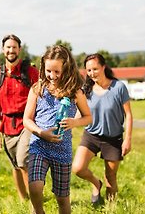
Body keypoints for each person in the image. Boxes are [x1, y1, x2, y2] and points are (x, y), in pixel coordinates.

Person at [23, 45, 92, 214]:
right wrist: (40, 132)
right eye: (48, 71)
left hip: (62, 150)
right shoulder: (37, 89)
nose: (52, 76)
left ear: (66, 69)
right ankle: (39, 211)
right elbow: (26, 119)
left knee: (62, 199)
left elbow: (88, 117)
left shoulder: (75, 92)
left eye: (56, 72)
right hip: (39, 145)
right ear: (43, 67)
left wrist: (74, 123)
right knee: (35, 187)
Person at [72, 53, 133, 204]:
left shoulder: (119, 87)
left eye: (95, 69)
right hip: (91, 135)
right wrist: (71, 122)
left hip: (113, 138)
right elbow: (80, 113)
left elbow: (129, 114)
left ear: (104, 67)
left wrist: (128, 140)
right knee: (78, 168)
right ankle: (96, 184)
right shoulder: (86, 90)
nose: (92, 73)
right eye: (89, 70)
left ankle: (110, 208)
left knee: (111, 178)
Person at [0, 34, 39, 200]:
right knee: (15, 165)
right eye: (8, 47)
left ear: (20, 49)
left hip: (27, 122)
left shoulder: (31, 72)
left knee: (23, 160)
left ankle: (35, 202)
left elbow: (42, 94)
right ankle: (23, 198)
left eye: (14, 47)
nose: (11, 50)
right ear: (3, 50)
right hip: (7, 125)